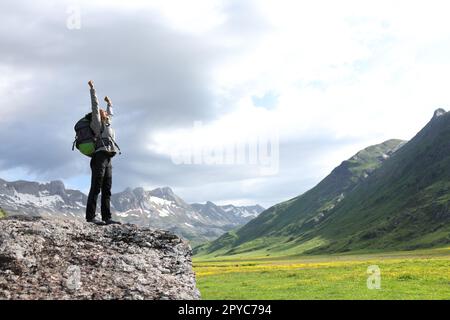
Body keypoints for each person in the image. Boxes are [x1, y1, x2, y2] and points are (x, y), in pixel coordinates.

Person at [85, 80, 121, 225]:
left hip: (108, 158)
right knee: (96, 187)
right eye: (104, 112)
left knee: (107, 188)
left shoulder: (107, 123)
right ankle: (91, 217)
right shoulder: (97, 123)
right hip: (99, 157)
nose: (106, 113)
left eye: (106, 112)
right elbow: (95, 106)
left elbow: (110, 113)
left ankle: (107, 217)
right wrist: (93, 89)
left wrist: (110, 103)